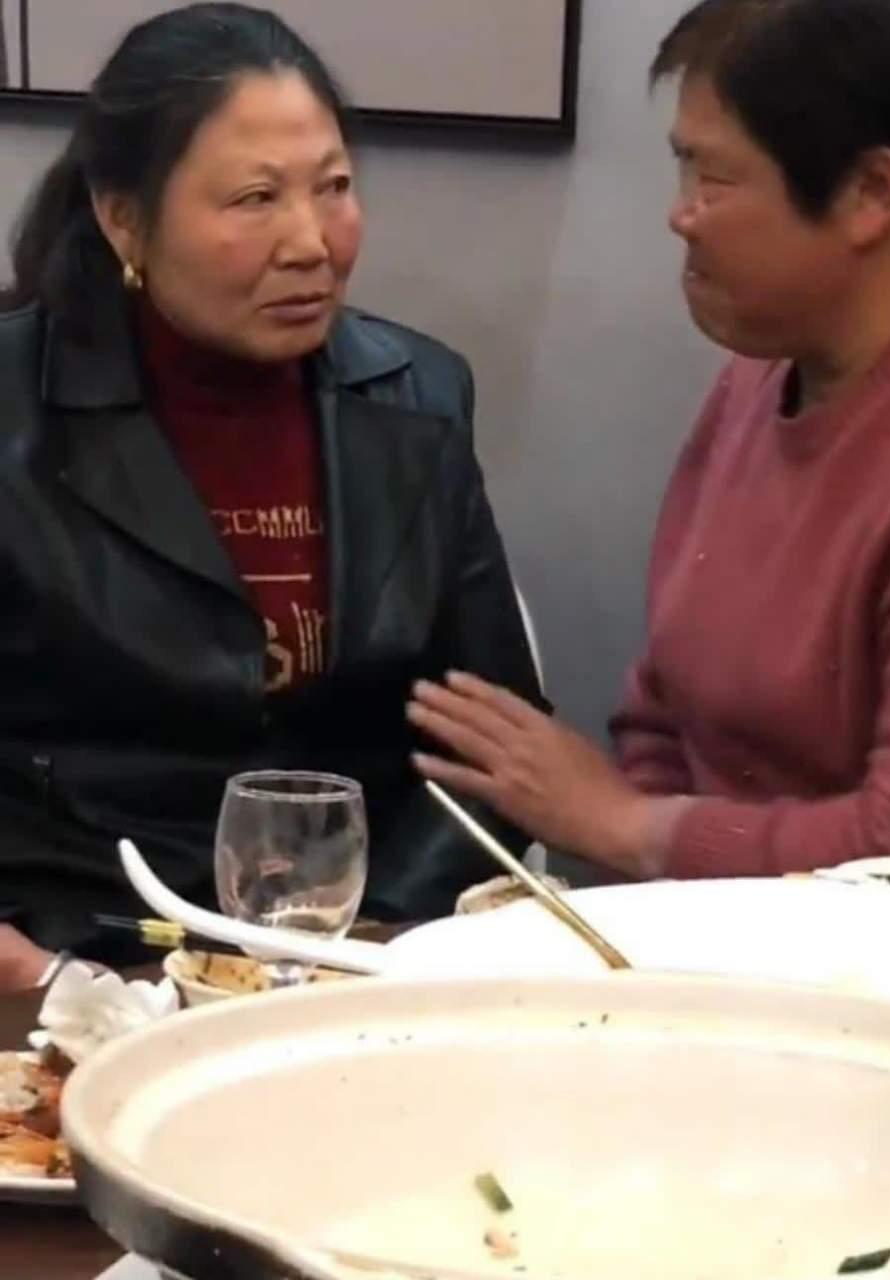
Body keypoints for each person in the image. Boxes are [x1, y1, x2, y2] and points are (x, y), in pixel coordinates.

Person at [410, 0, 890, 881]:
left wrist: (627, 827)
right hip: (702, 933)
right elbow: (662, 706)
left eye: (712, 179)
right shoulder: (774, 357)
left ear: (872, 194)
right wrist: (646, 867)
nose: (681, 216)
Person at [0, 2, 542, 986]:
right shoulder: (13, 413)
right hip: (76, 960)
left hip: (357, 957)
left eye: (333, 187)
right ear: (123, 217)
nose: (311, 241)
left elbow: (492, 751)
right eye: (255, 198)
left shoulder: (416, 398)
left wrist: (372, 939)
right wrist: (43, 971)